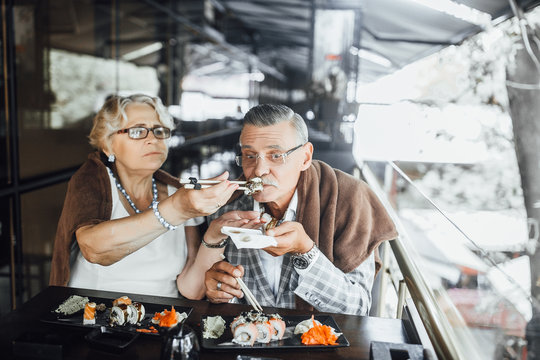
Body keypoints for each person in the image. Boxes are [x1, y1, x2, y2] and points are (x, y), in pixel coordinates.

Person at [201, 104, 398, 315]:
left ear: (305, 157)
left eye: (275, 155)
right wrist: (217, 291)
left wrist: (306, 251)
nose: (258, 170)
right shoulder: (227, 208)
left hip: (317, 341)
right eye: (250, 155)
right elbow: (216, 296)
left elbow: (357, 308)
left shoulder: (349, 200)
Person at [49, 94, 251, 298]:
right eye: (137, 131)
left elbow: (192, 290)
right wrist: (177, 210)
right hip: (96, 316)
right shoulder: (92, 180)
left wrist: (215, 235)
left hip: (163, 320)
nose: (152, 139)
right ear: (107, 144)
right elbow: (94, 249)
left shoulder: (177, 191)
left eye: (159, 130)